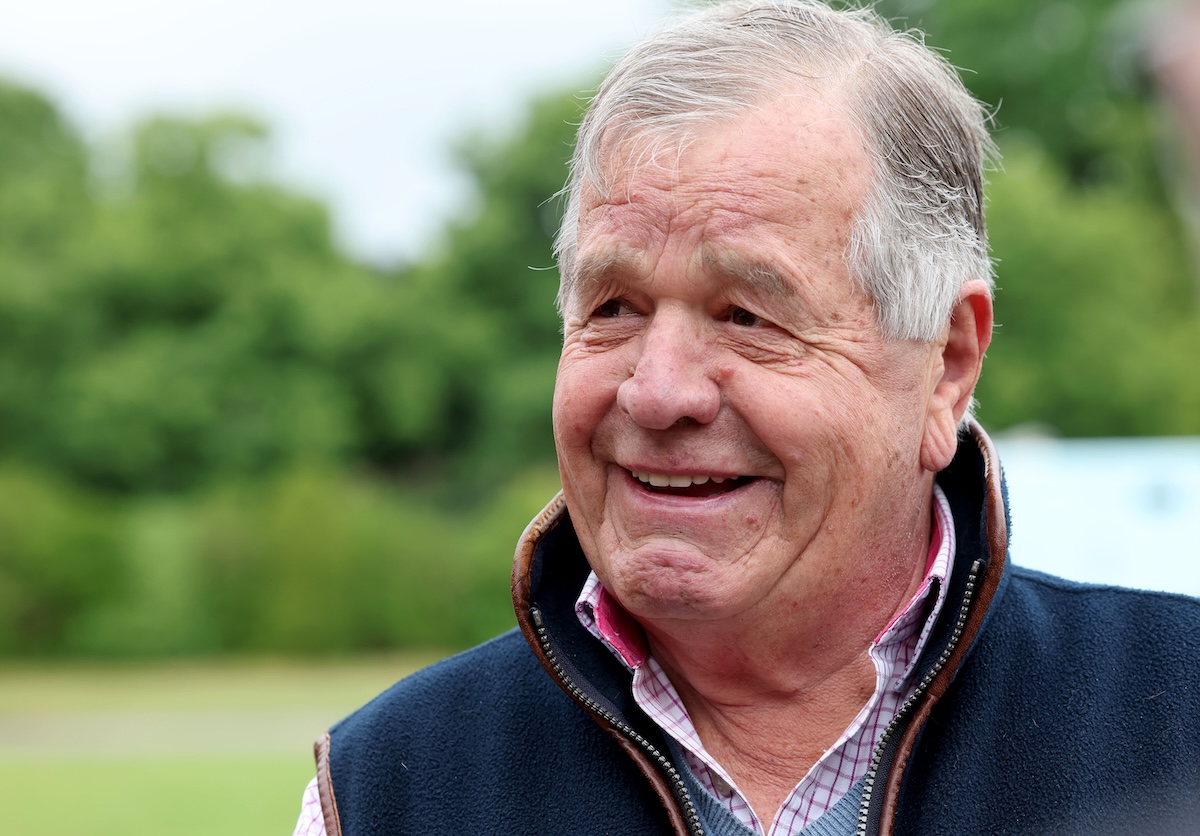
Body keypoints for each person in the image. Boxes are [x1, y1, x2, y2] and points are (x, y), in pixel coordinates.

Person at [293, 2, 1200, 834]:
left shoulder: (1176, 716)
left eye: (746, 316)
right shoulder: (386, 791)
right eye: (614, 307)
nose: (658, 391)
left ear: (946, 366)